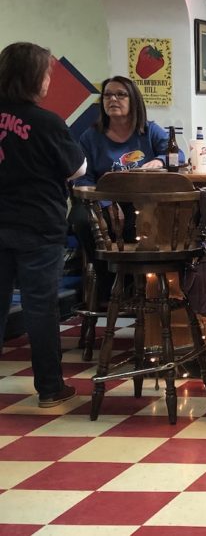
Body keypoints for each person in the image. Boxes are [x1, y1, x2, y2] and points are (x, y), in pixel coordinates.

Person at [0, 42, 87, 408]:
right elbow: (77, 169)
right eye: (48, 73)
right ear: (35, 77)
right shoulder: (46, 121)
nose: (50, 80)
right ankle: (50, 388)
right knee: (40, 308)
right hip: (38, 225)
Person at [70, 76, 181, 303]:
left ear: (134, 100)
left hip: (141, 200)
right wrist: (106, 203)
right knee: (82, 220)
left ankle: (135, 288)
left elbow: (177, 155)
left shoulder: (149, 131)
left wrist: (159, 160)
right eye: (108, 95)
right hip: (102, 201)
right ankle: (108, 287)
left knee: (140, 222)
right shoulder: (90, 137)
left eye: (121, 94)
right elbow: (82, 179)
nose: (113, 99)